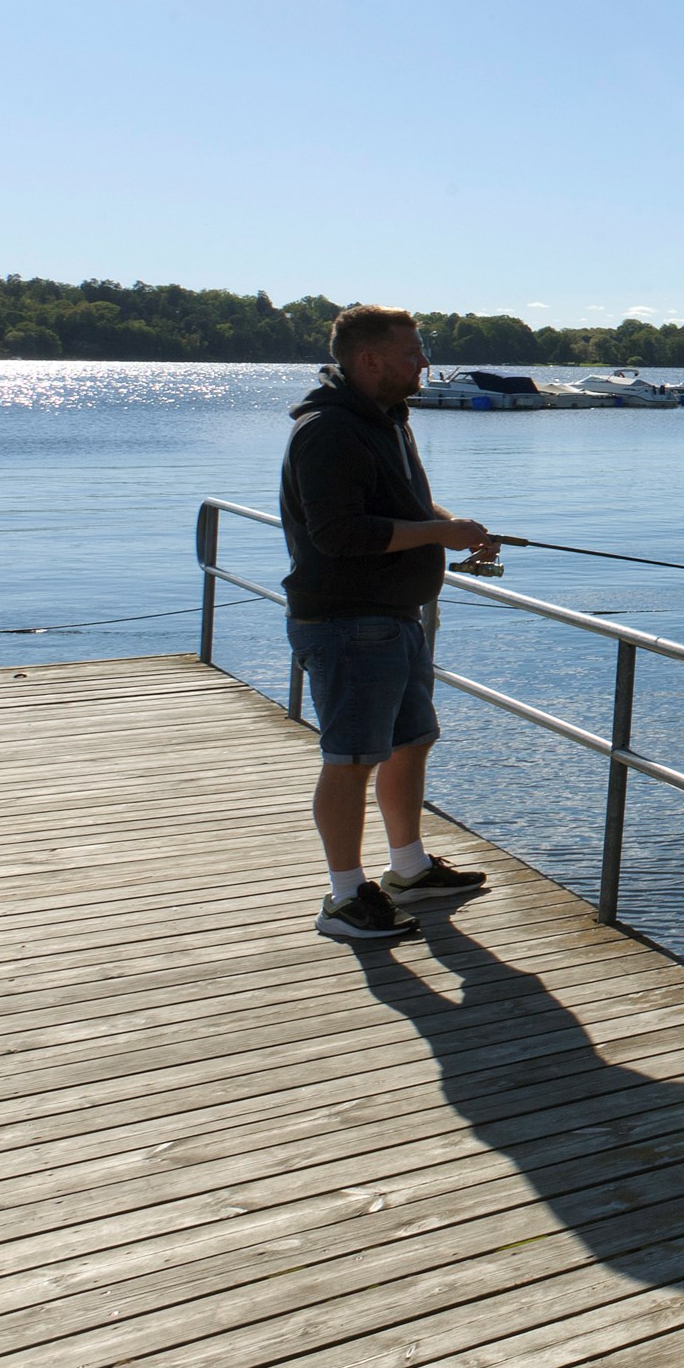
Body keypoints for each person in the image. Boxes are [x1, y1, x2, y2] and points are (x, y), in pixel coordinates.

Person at [283, 304, 496, 941]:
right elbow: (341, 533)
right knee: (350, 758)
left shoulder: (386, 421)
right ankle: (345, 899)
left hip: (396, 616)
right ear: (368, 359)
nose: (424, 362)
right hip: (348, 621)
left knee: (412, 740)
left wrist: (455, 529)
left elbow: (402, 505)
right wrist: (439, 532)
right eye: (412, 353)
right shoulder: (329, 430)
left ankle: (408, 866)